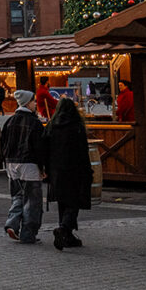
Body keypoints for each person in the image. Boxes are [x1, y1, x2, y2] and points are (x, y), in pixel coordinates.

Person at [43, 98, 92, 250]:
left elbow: (45, 147)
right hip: (74, 168)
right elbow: (83, 150)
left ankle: (67, 235)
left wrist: (46, 168)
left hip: (56, 169)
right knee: (74, 201)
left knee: (62, 201)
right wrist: (88, 169)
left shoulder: (51, 126)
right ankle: (64, 229)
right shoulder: (76, 126)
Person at [0, 90, 46, 244]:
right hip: (29, 164)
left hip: (12, 164)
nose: (35, 104)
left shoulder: (10, 121)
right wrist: (43, 167)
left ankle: (12, 223)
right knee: (32, 201)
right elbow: (39, 147)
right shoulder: (34, 122)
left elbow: (3, 143)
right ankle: (28, 233)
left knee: (18, 196)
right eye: (33, 102)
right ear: (28, 103)